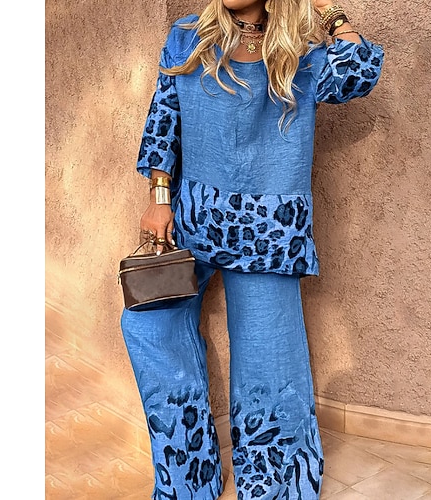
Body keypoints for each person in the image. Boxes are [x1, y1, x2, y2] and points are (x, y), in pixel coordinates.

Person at [120, 0, 384, 498]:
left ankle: (275, 485)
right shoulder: (189, 36)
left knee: (269, 366)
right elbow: (163, 116)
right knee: (147, 325)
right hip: (193, 221)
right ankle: (187, 477)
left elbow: (360, 72)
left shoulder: (301, 56)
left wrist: (329, 12)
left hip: (269, 236)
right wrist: (159, 197)